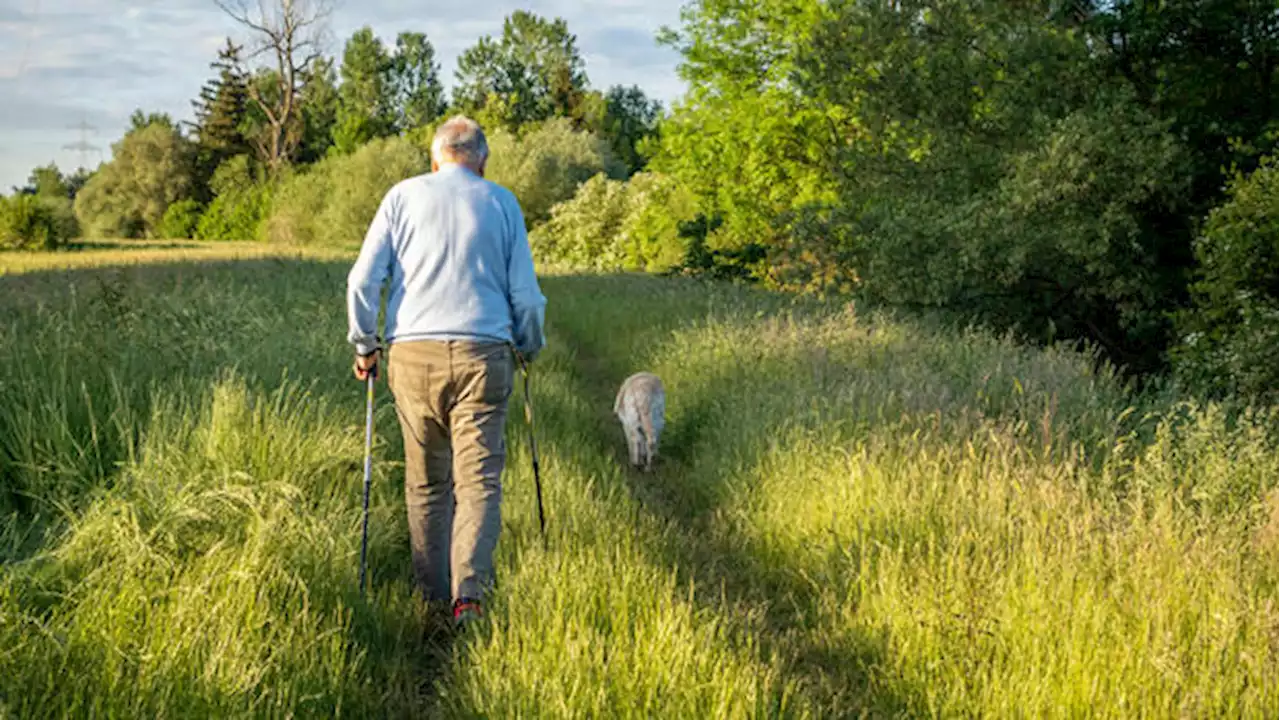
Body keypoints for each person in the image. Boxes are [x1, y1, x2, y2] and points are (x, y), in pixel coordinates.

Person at [345, 115, 547, 627]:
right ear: (482, 160)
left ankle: (431, 600)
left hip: (413, 354)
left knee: (427, 484)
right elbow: (525, 296)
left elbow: (362, 282)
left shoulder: (402, 196)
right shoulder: (501, 201)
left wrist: (365, 345)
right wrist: (528, 345)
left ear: (435, 159)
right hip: (485, 353)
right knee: (478, 482)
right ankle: (470, 599)